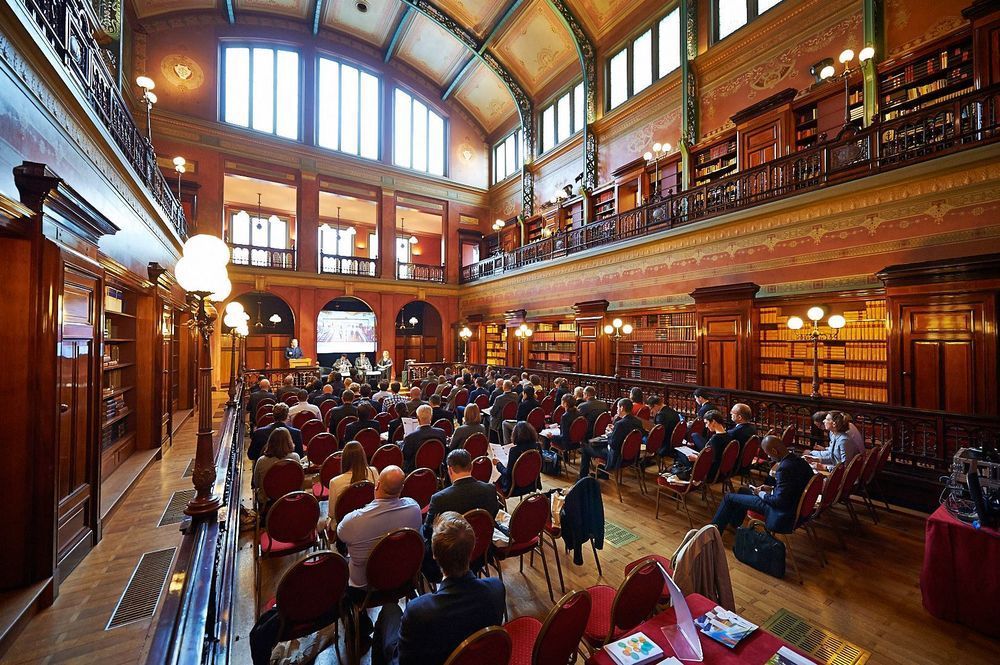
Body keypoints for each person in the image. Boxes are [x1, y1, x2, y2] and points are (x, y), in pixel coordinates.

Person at [372, 512, 505, 665]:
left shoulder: (418, 611)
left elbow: (403, 661)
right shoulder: (496, 589)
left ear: (434, 554)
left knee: (389, 609)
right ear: (473, 548)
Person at [337, 465, 422, 642]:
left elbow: (340, 536)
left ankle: (359, 630)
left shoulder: (354, 521)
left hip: (364, 590)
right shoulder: (414, 509)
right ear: (402, 488)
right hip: (402, 579)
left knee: (337, 568)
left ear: (377, 485)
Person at [420, 450, 501, 583]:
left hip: (448, 558)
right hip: (480, 551)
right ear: (471, 466)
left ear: (450, 470)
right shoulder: (490, 489)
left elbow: (428, 532)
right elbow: (492, 517)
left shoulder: (440, 499)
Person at [710, 434, 814, 534]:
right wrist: (772, 488)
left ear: (774, 451)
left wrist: (760, 493)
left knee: (728, 498)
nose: (768, 457)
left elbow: (778, 501)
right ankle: (734, 524)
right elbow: (791, 487)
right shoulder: (800, 461)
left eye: (768, 453)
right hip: (793, 506)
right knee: (742, 490)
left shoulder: (783, 469)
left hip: (781, 512)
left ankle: (713, 534)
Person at [578, 398, 644, 478]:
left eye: (617, 407)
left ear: (622, 408)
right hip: (632, 456)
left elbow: (613, 444)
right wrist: (614, 431)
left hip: (617, 457)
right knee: (597, 444)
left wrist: (609, 434)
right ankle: (603, 473)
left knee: (585, 447)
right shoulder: (638, 421)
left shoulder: (620, 424)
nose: (617, 410)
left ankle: (582, 477)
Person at [326, 441, 378, 528]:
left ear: (344, 459)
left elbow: (332, 514)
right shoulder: (373, 472)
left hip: (345, 526)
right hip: (370, 521)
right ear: (363, 456)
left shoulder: (335, 482)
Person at [676, 410, 731, 479]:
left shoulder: (715, 439)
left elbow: (713, 461)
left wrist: (696, 458)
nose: (706, 426)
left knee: (680, 453)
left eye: (706, 423)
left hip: (710, 473)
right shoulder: (728, 435)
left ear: (713, 422)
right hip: (722, 473)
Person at [251, 428, 300, 505]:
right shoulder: (295, 457)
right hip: (291, 497)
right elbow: (298, 479)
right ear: (289, 441)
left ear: (270, 442)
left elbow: (256, 483)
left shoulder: (261, 461)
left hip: (268, 502)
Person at [494, 421, 541, 495]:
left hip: (514, 487)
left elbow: (508, 474)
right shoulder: (538, 447)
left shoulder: (514, 451)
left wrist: (498, 464)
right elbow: (540, 467)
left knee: (495, 478)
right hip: (532, 483)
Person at [401, 405, 447, 473]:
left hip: (416, 470)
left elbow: (405, 456)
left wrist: (404, 442)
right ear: (431, 416)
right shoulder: (441, 433)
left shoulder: (410, 437)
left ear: (417, 418)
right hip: (436, 467)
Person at [691, 402, 756, 449]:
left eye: (732, 412)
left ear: (739, 417)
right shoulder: (753, 428)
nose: (730, 413)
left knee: (694, 435)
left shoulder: (733, 432)